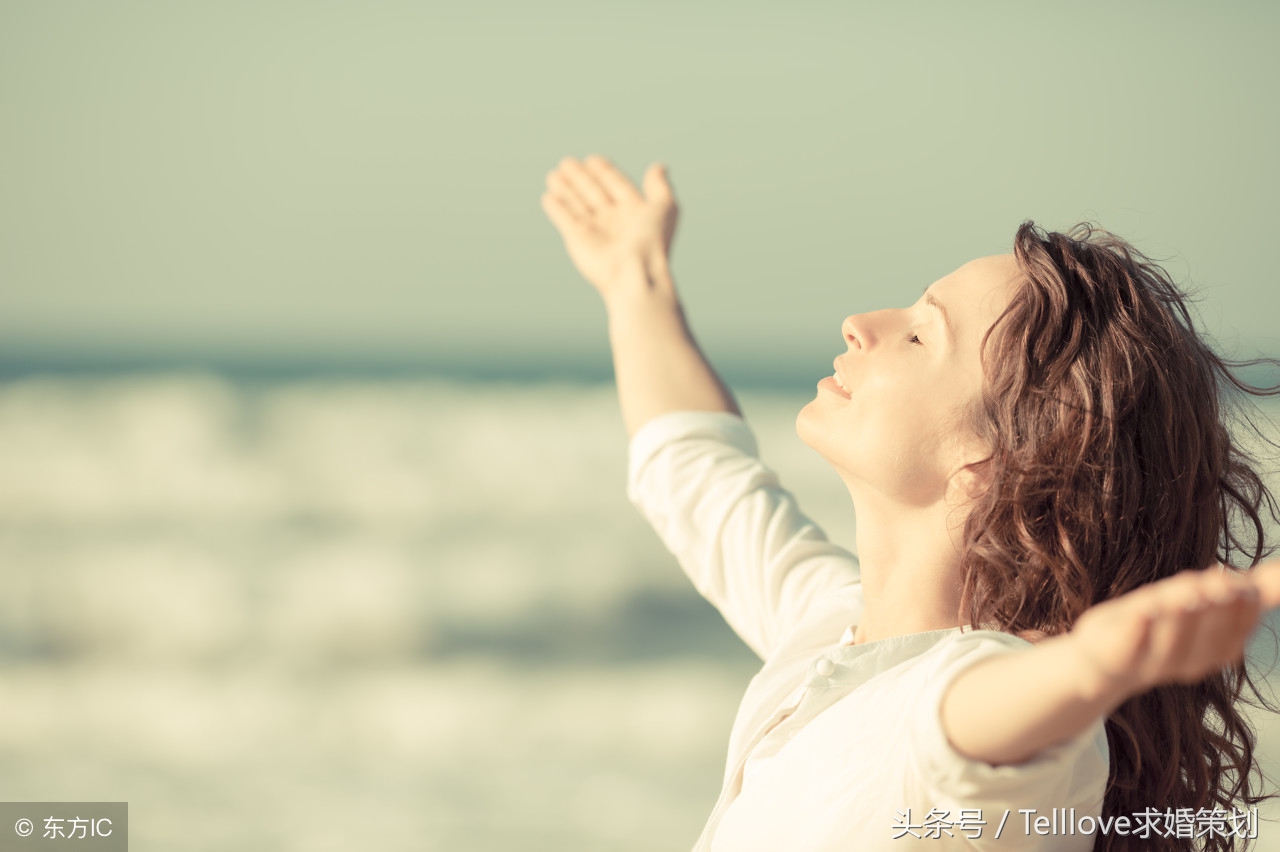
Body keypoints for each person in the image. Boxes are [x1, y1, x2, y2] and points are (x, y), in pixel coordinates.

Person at [539, 154, 1280, 851]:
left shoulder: (994, 704)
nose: (861, 322)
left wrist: (1092, 666)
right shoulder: (831, 628)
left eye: (922, 335)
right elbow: (700, 474)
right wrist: (634, 280)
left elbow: (978, 723)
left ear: (990, 463)